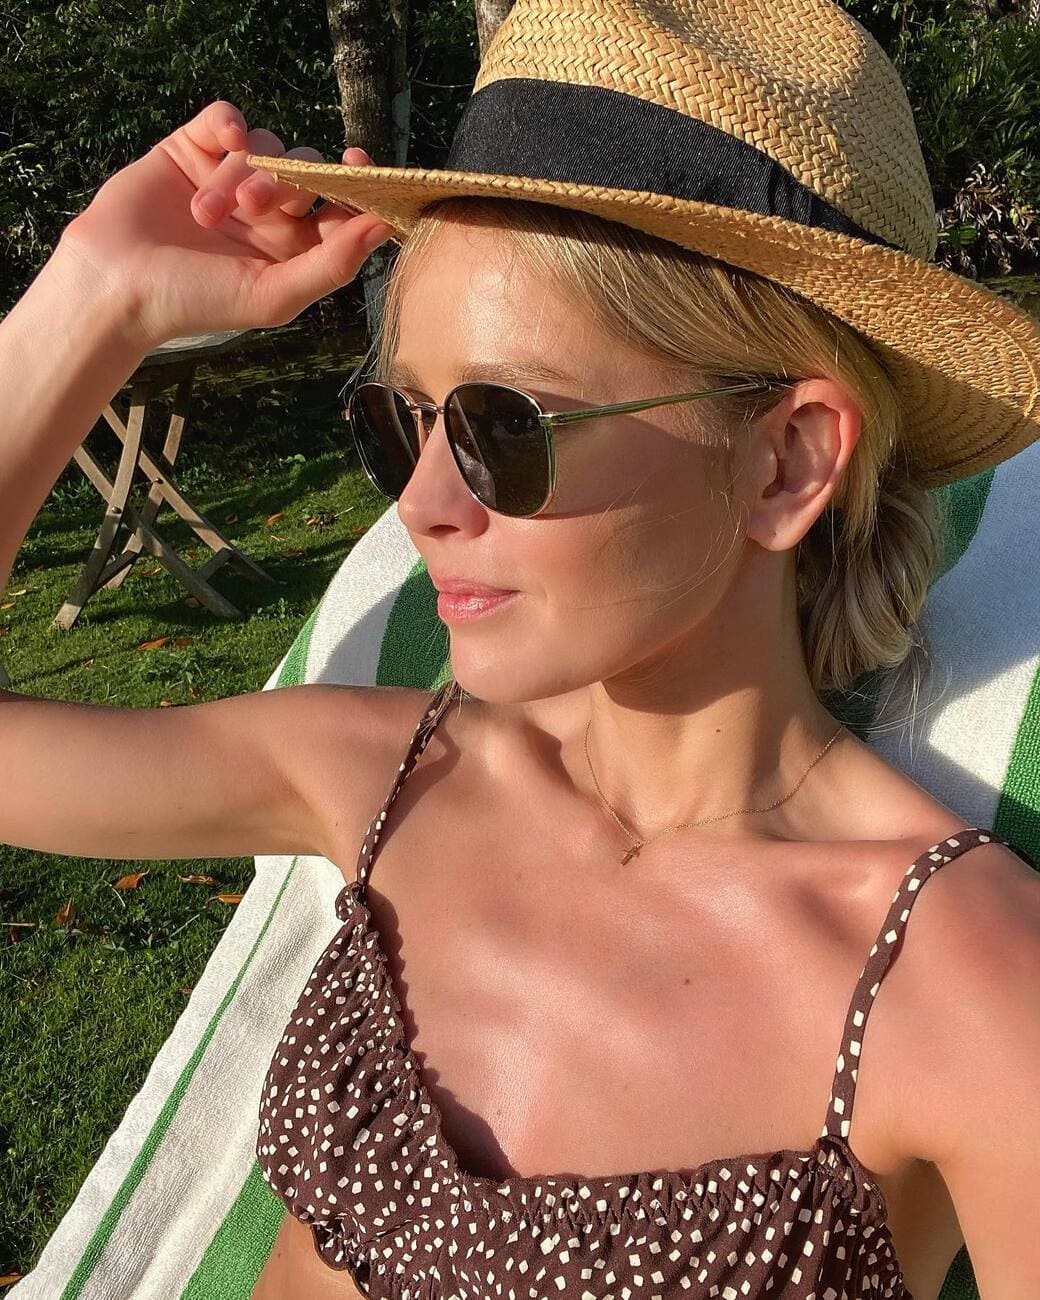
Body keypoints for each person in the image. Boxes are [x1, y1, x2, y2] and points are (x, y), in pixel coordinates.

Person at [3, 0, 1040, 1295]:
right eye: (404, 421)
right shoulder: (391, 778)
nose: (421, 501)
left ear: (786, 460)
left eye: (505, 428)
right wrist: (98, 297)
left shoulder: (964, 990)